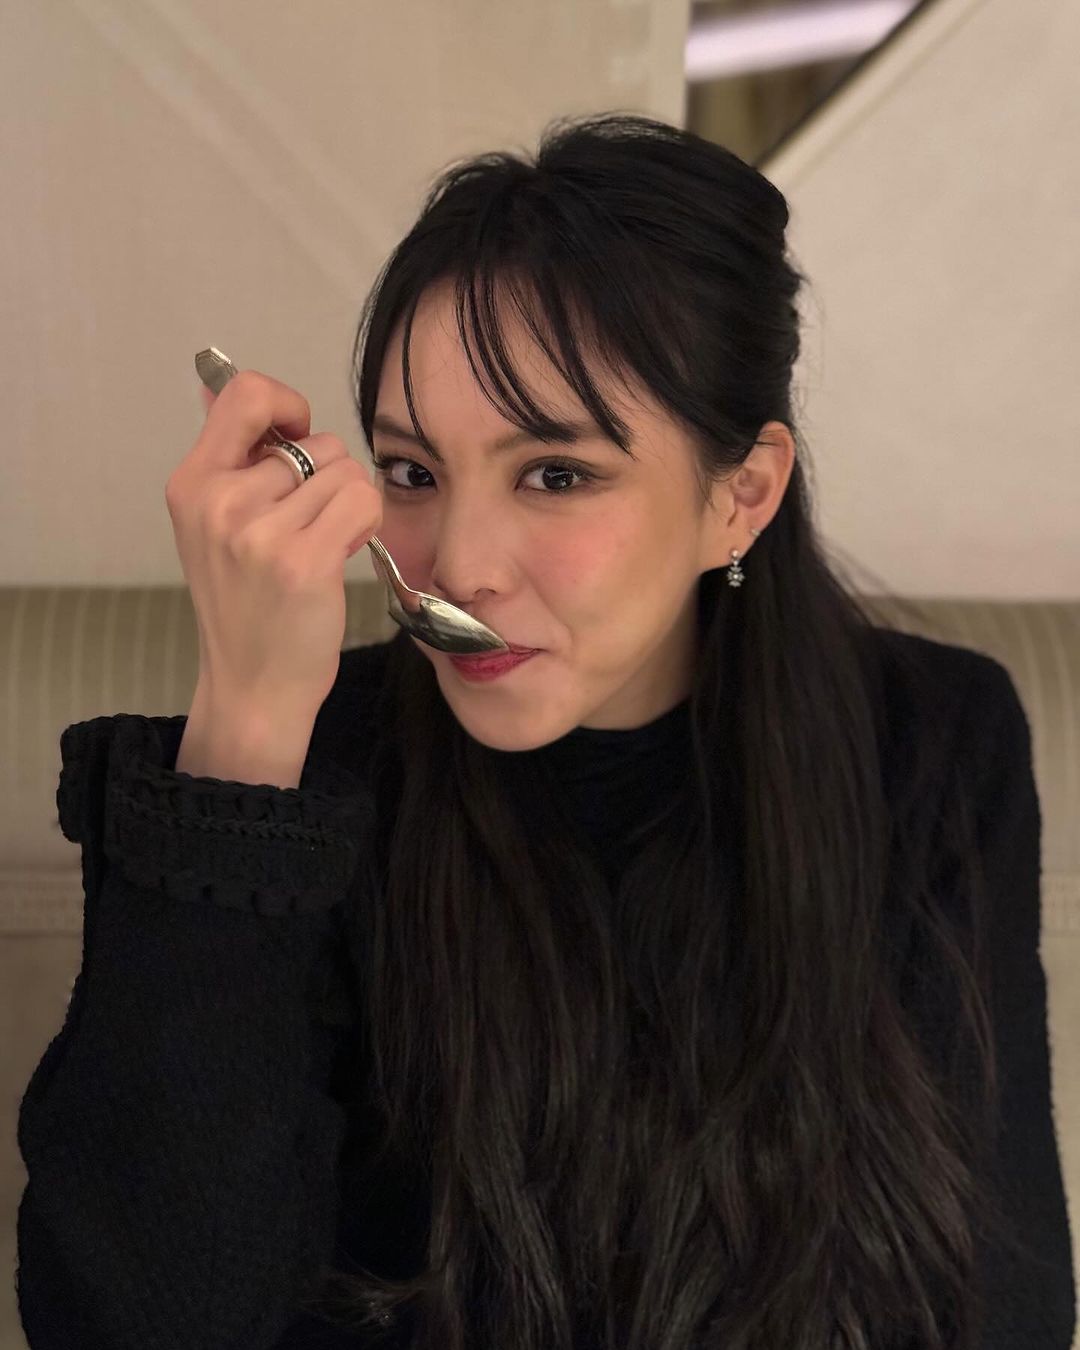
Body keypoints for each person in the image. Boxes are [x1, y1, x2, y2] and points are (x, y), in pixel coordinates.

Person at [15, 112, 1075, 1350]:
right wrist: (244, 741)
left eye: (556, 475)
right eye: (412, 473)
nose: (459, 562)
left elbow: (997, 1303)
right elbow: (129, 1324)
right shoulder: (294, 776)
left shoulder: (930, 746)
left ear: (741, 495)